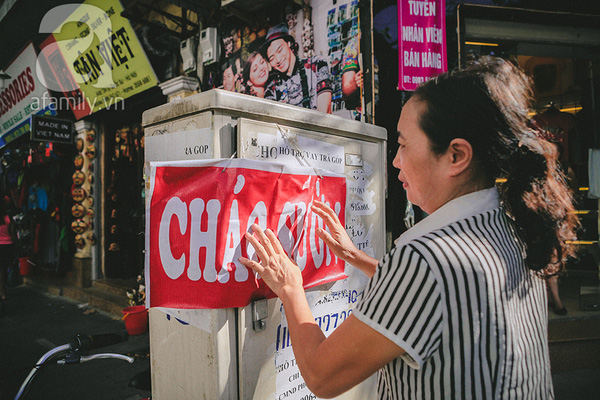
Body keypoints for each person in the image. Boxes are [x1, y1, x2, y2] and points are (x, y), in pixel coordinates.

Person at [239, 56, 579, 399]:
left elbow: (321, 375)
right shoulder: (517, 230)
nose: (396, 161)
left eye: (402, 144)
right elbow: (446, 298)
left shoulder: (424, 259)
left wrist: (290, 287)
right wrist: (356, 257)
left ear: (456, 156)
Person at [261, 23, 333, 113]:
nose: (278, 60)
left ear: (289, 44)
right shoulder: (271, 89)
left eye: (280, 50)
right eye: (272, 58)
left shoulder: (317, 64)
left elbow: (324, 113)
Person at [0, 196, 16, 316]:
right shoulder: (8, 218)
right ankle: (3, 291)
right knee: (4, 269)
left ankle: (2, 291)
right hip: (8, 246)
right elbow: (12, 233)